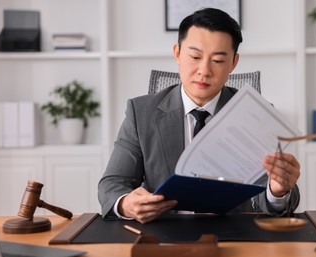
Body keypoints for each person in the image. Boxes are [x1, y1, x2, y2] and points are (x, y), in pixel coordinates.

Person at [98, 8, 300, 224]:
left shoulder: (255, 116)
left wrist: (277, 191)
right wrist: (126, 204)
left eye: (218, 61)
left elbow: (271, 198)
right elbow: (113, 183)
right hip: (163, 237)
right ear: (177, 53)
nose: (204, 70)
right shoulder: (141, 113)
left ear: (233, 63)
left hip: (235, 237)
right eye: (195, 56)